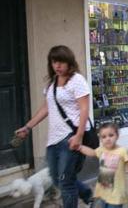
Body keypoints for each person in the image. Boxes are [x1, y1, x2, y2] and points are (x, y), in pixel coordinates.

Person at [15, 45, 93, 207]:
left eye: (61, 62)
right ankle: (87, 194)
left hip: (70, 137)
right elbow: (46, 108)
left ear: (69, 62)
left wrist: (78, 136)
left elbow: (85, 108)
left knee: (65, 182)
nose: (57, 66)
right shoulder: (52, 84)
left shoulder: (76, 80)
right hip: (53, 140)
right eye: (54, 62)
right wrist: (28, 127)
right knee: (57, 178)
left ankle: (83, 197)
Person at [78, 123, 128, 207]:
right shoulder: (102, 149)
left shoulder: (122, 151)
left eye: (111, 135)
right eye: (104, 137)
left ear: (117, 136)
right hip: (103, 191)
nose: (108, 139)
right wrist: (80, 147)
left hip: (116, 193)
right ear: (100, 139)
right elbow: (92, 152)